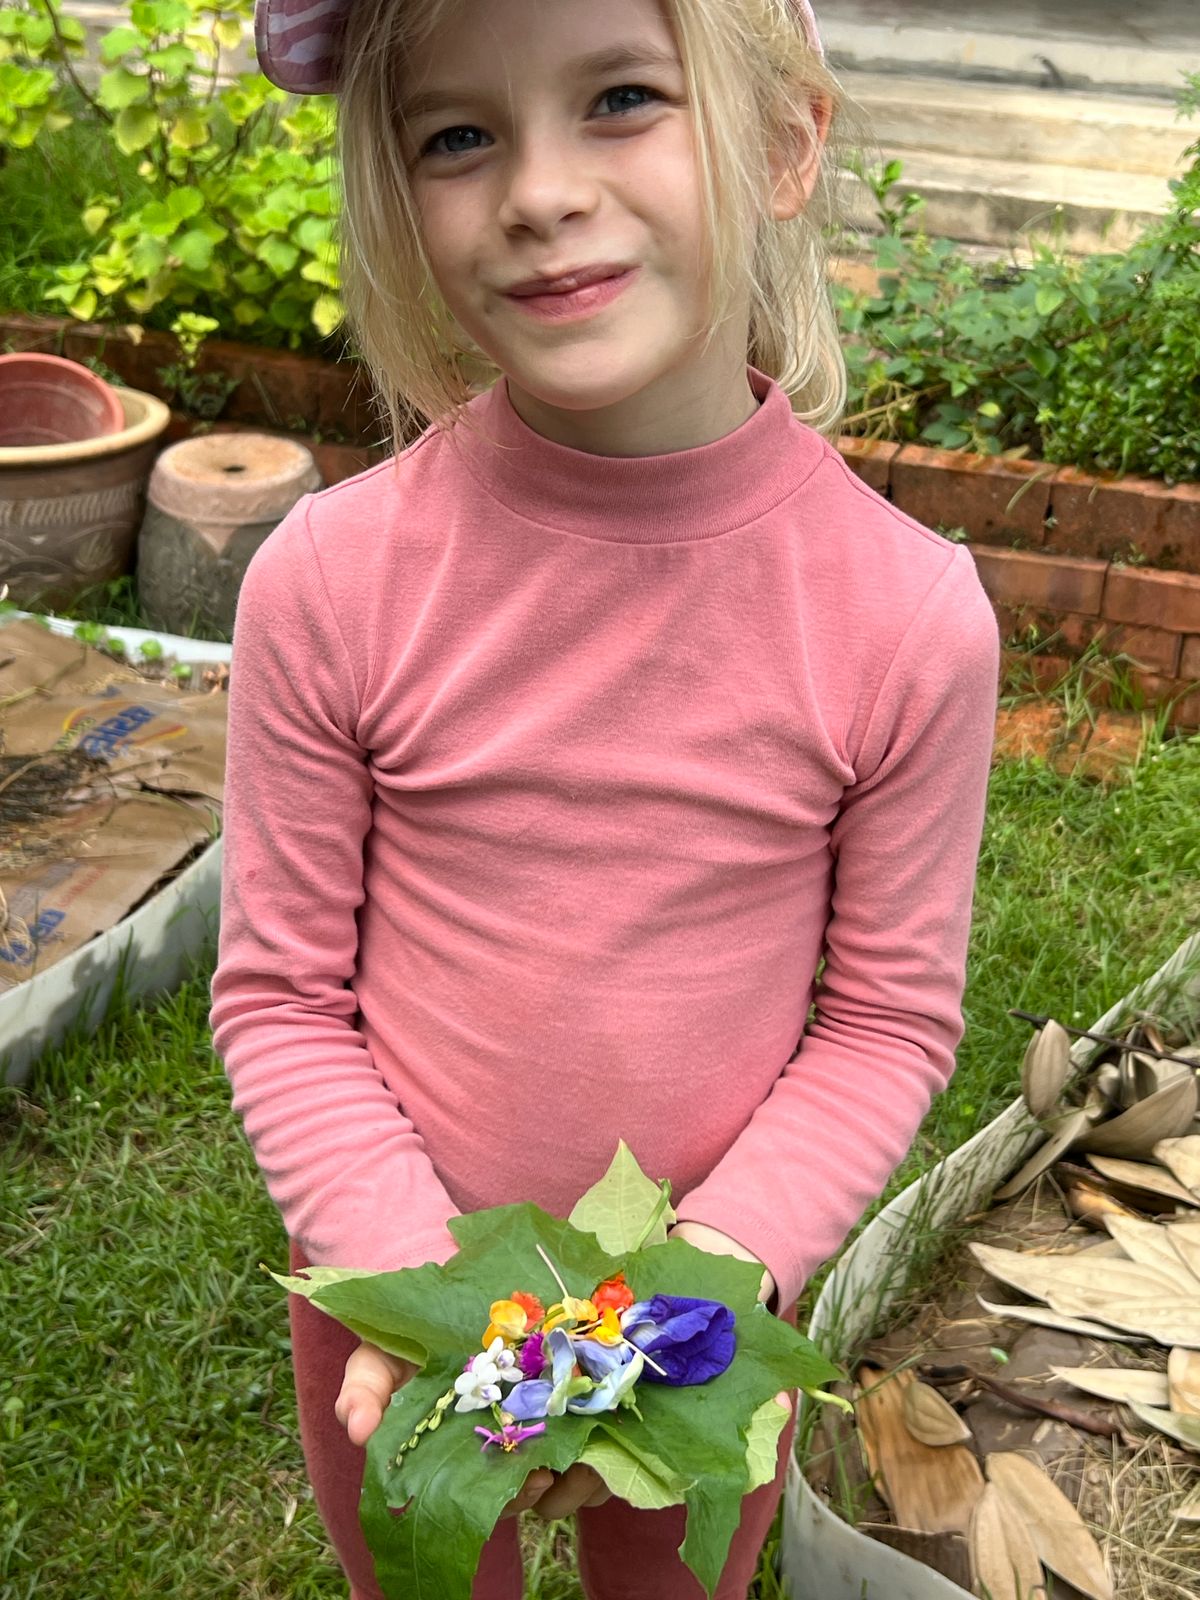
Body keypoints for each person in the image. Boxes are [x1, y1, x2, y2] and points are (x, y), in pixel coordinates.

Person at [209, 0, 1000, 1594]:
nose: (540, 191)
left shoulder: (906, 620)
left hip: (707, 1323)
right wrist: (426, 1290)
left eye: (623, 97)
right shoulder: (331, 583)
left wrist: (714, 1273)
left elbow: (887, 1021)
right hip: (400, 1310)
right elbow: (283, 998)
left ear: (783, 143)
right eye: (458, 135)